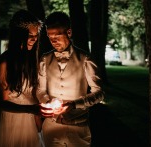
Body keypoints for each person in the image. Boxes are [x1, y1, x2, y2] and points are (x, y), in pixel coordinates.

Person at [0, 9, 53, 147]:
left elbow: (34, 94)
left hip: (30, 121)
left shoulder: (33, 60)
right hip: (10, 119)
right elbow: (2, 102)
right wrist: (30, 109)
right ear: (18, 35)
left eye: (36, 36)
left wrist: (38, 122)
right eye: (30, 35)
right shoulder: (5, 61)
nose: (34, 39)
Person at [37, 11, 105, 147]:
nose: (53, 41)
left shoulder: (86, 59)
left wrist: (74, 105)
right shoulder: (44, 60)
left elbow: (99, 93)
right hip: (51, 128)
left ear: (69, 32)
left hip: (78, 127)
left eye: (57, 36)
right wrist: (49, 102)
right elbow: (40, 90)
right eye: (50, 37)